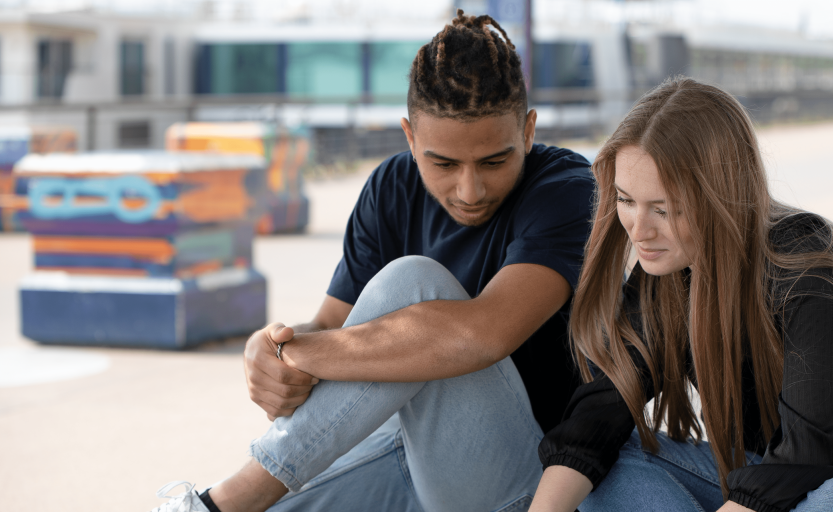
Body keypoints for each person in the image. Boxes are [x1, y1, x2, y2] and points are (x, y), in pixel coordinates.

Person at [153, 11, 594, 512]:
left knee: (414, 283)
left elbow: (483, 334)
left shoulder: (568, 191)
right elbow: (331, 326)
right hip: (404, 451)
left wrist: (307, 352)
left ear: (529, 130)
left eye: (495, 161)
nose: (470, 191)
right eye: (443, 164)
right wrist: (270, 350)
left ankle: (222, 502)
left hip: (526, 483)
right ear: (409, 138)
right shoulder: (392, 186)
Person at [528, 77, 833, 512]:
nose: (639, 229)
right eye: (626, 200)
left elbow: (813, 449)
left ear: (720, 194)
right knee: (604, 463)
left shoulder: (808, 261)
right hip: (771, 481)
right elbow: (595, 423)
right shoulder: (666, 268)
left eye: (664, 209)